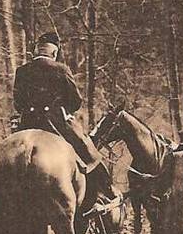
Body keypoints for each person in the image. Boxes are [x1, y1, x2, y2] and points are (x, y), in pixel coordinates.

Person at [12, 31, 114, 201]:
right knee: (89, 154)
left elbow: (18, 103)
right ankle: (100, 196)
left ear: (37, 51)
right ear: (54, 53)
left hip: (27, 124)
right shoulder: (61, 69)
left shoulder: (22, 71)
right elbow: (75, 101)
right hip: (55, 124)